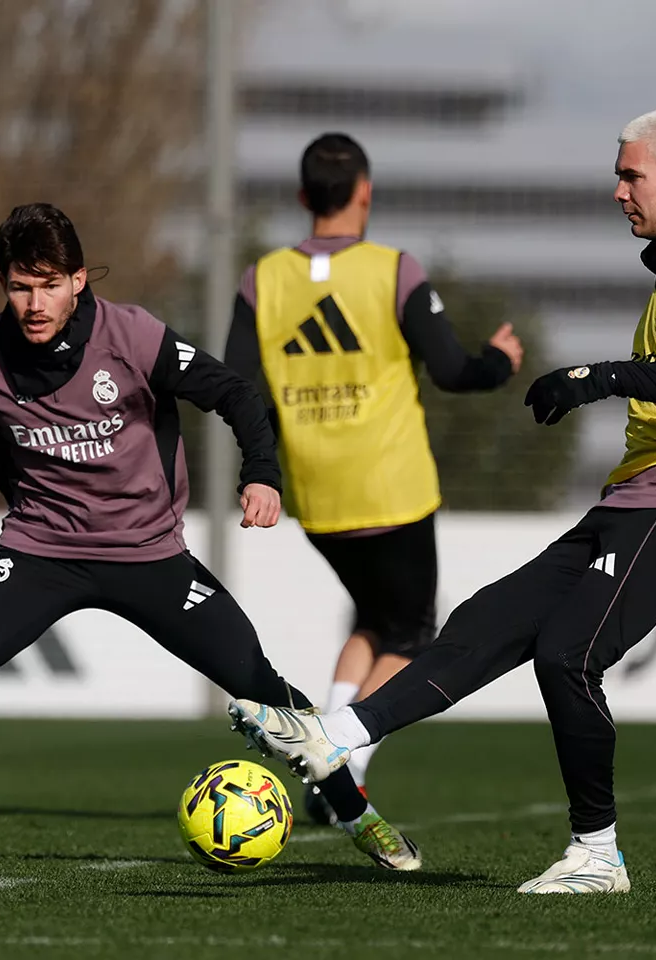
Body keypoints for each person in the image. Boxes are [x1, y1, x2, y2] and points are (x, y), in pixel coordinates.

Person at [225, 107, 656, 894]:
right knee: (487, 620)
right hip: (639, 498)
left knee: (568, 654)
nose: (618, 191)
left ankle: (598, 855)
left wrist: (606, 376)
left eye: (630, 174)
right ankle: (333, 736)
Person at [0, 203, 421, 871]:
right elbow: (7, 461)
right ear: (3, 284)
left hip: (150, 558)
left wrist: (262, 475)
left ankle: (361, 818)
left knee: (261, 685)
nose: (35, 302)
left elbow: (233, 393)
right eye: (21, 286)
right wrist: (35, 527)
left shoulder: (133, 336)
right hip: (40, 554)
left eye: (50, 283)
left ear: (80, 279)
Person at [223, 133, 524, 824]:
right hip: (392, 488)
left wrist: (260, 469)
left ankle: (326, 736)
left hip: (317, 496)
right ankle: (342, 756)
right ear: (365, 192)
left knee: (374, 618)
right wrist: (500, 361)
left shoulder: (260, 280)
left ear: (303, 198)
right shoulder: (393, 270)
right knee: (413, 637)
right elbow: (453, 372)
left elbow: (239, 386)